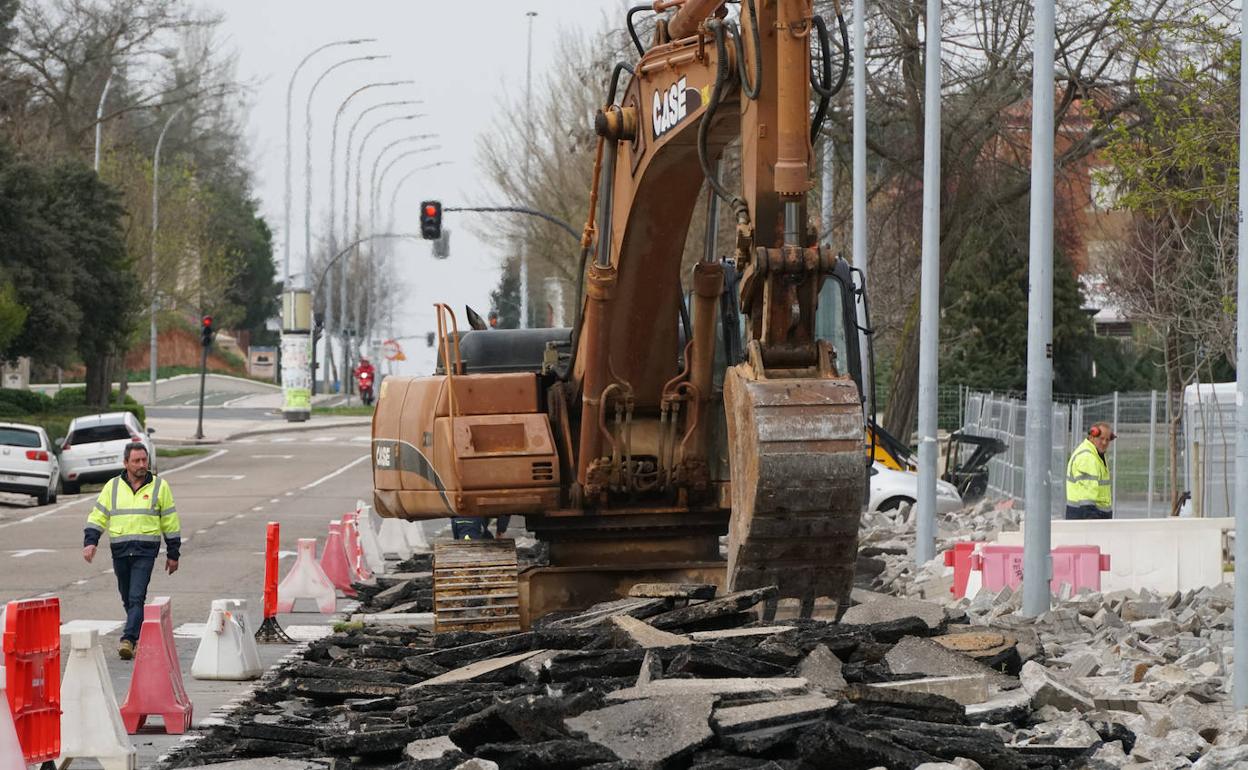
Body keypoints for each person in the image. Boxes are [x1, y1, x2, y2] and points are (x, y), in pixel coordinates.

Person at [82, 442, 180, 659]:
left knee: (137, 596)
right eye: (136, 461)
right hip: (120, 550)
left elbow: (170, 521)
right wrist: (91, 542)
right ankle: (140, 632)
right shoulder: (112, 487)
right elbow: (98, 516)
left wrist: (173, 553)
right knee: (127, 598)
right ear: (126, 463)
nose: (142, 464)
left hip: (146, 550)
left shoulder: (159, 486)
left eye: (144, 460)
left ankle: (128, 639)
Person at [1065, 422, 1115, 520]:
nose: (1104, 443)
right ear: (1092, 436)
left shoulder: (1096, 454)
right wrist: (1091, 521)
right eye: (1101, 438)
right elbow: (1087, 497)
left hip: (1092, 515)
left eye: (1107, 440)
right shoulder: (1087, 457)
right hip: (1086, 516)